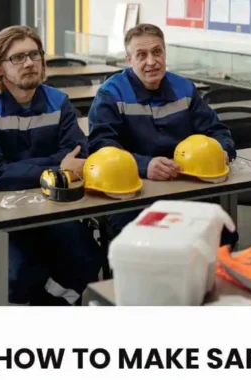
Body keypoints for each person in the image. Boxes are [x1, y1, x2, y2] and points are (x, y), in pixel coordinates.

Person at [0, 26, 104, 305]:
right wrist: (55, 168)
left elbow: (78, 153)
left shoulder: (57, 101)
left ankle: (49, 311)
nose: (29, 62)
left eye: (34, 55)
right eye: (17, 58)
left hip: (45, 206)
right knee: (19, 273)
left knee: (87, 256)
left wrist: (18, 168)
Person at [87, 23, 239, 248]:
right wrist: (144, 165)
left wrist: (222, 150)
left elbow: (217, 130)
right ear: (129, 60)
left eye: (157, 52)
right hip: (133, 194)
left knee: (224, 234)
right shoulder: (111, 94)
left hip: (186, 187)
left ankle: (204, 282)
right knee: (153, 244)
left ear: (165, 53)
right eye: (142, 55)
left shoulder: (184, 88)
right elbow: (102, 147)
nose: (151, 61)